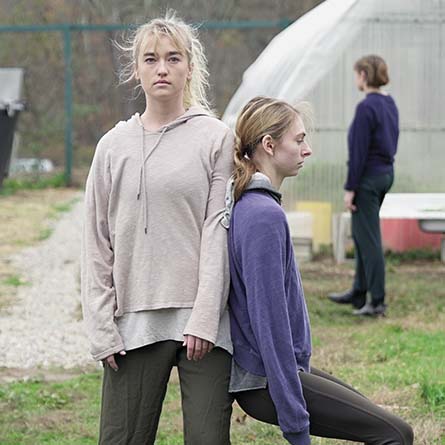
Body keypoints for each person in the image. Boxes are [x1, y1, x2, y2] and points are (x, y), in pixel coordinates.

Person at [81, 12, 234, 445]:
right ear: (136, 70)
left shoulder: (216, 138)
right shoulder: (112, 146)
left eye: (173, 58)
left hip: (203, 329)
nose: (162, 68)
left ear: (190, 67)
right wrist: (101, 327)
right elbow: (96, 241)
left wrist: (205, 318)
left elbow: (217, 232)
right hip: (132, 327)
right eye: (150, 59)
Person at [225, 96, 413, 445]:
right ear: (269, 145)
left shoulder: (253, 206)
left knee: (379, 420)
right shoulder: (263, 216)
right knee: (396, 435)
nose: (307, 149)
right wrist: (295, 423)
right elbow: (270, 325)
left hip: (274, 373)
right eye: (299, 140)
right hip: (265, 381)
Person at [328, 55, 399, 316]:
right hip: (385, 174)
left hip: (368, 179)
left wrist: (351, 187)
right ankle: (359, 291)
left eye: (357, 73)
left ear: (364, 76)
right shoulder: (389, 103)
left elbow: (358, 152)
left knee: (369, 240)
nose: (356, 78)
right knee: (362, 234)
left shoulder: (366, 108)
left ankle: (377, 301)